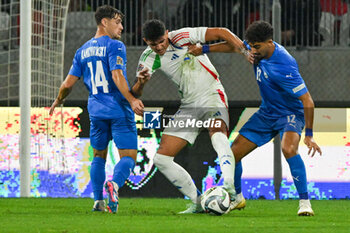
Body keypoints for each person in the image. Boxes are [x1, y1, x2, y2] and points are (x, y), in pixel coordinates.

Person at [190, 20, 322, 216]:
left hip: (290, 113)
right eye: (251, 46)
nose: (253, 50)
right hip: (267, 112)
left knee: (288, 148)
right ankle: (237, 198)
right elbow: (234, 45)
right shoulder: (255, 49)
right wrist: (204, 49)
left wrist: (309, 135)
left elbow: (308, 101)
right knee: (232, 154)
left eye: (257, 47)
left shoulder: (284, 65)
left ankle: (304, 203)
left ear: (270, 42)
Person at [132, 19, 253, 214]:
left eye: (162, 41)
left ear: (167, 33)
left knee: (218, 135)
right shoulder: (147, 57)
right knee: (161, 159)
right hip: (189, 106)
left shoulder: (182, 37)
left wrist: (245, 50)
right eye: (153, 44)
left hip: (212, 93)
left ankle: (229, 189)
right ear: (146, 41)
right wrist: (142, 82)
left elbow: (222, 31)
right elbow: (136, 92)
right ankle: (199, 202)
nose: (160, 47)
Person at [49, 5, 144, 213]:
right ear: (104, 22)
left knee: (98, 156)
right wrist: (131, 99)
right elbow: (117, 74)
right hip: (118, 108)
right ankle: (115, 185)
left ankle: (98, 201)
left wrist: (58, 100)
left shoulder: (81, 51)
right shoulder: (115, 46)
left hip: (96, 110)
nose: (121, 27)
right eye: (117, 22)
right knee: (128, 156)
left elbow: (67, 85)